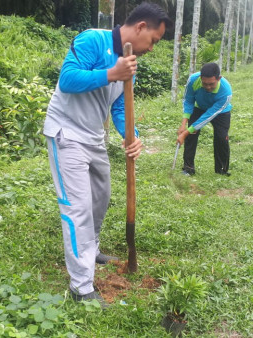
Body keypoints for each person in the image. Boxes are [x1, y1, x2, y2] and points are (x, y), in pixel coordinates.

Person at [43, 3, 171, 307]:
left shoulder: (130, 64)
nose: (152, 49)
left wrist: (133, 137)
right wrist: (111, 73)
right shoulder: (92, 40)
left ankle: (92, 250)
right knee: (78, 209)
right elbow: (68, 80)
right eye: (154, 40)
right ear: (141, 26)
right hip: (66, 134)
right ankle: (81, 286)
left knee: (100, 198)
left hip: (93, 136)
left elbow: (119, 107)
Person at [176, 62, 233, 176]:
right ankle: (188, 168)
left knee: (221, 138)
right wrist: (183, 124)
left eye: (211, 84)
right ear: (200, 78)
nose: (208, 87)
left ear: (219, 78)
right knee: (191, 136)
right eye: (204, 83)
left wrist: (185, 133)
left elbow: (209, 116)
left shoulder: (226, 92)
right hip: (199, 107)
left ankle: (221, 170)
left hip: (220, 111)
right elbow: (188, 100)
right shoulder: (193, 80)